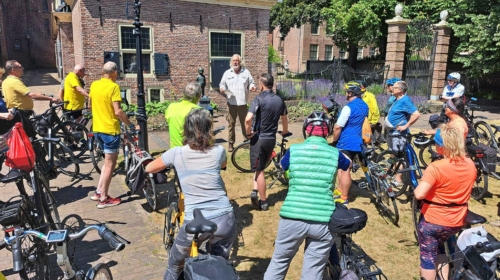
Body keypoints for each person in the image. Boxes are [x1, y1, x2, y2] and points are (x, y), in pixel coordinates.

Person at [145, 108, 236, 280]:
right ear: (210, 129)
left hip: (196, 219)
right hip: (225, 217)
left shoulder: (176, 153)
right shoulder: (219, 151)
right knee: (219, 265)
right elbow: (223, 165)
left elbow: (149, 168)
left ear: (186, 130)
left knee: (174, 265)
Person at [264, 111, 350, 280]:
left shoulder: (294, 150)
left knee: (279, 261)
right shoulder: (335, 153)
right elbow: (347, 164)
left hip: (293, 216)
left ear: (306, 130)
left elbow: (282, 166)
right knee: (313, 270)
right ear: (328, 131)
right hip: (323, 219)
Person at [414, 126, 475, 280]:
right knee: (440, 248)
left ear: (441, 146)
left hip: (434, 220)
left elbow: (419, 193)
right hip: (456, 220)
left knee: (428, 256)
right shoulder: (470, 164)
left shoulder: (436, 167)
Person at [89, 61, 137, 209]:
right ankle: (103, 198)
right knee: (111, 164)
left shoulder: (94, 85)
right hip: (110, 131)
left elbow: (90, 105)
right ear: (114, 72)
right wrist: (131, 125)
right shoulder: (114, 87)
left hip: (97, 130)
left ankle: (98, 191)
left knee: (106, 163)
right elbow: (118, 112)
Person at [244, 73, 288, 211]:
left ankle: (263, 202)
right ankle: (254, 190)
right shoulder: (280, 100)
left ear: (262, 85)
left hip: (259, 139)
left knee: (260, 170)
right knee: (260, 166)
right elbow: (285, 118)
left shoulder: (258, 99)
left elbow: (247, 119)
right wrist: (285, 131)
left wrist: (248, 133)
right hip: (271, 139)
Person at [332, 83, 368, 206]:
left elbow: (338, 127)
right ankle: (340, 188)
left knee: (344, 169)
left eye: (347, 91)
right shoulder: (364, 106)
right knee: (345, 167)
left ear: (351, 93)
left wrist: (334, 140)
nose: (345, 93)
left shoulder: (348, 107)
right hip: (359, 141)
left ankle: (344, 197)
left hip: (346, 141)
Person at [385, 80, 421, 187]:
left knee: (399, 157)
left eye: (394, 87)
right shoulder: (397, 99)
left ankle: (398, 179)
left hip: (399, 134)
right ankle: (390, 172)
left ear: (400, 90)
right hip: (392, 132)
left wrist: (406, 126)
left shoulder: (405, 100)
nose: (392, 89)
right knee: (393, 154)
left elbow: (416, 114)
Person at [219, 54, 256, 152]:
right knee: (231, 124)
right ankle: (231, 143)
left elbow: (252, 82)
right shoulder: (227, 73)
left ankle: (246, 141)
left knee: (245, 123)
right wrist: (222, 89)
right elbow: (222, 84)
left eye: (237, 61)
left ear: (240, 62)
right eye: (234, 61)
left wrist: (252, 87)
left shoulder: (246, 72)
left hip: (242, 103)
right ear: (231, 62)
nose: (235, 62)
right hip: (231, 103)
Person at [165, 82, 201, 148]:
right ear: (199, 96)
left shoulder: (171, 107)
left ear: (183, 94)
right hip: (193, 152)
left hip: (174, 152)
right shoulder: (201, 112)